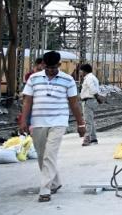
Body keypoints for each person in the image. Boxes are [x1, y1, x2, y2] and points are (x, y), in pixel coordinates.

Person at [19, 51, 85, 202]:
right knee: (42, 155)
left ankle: (45, 189)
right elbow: (27, 101)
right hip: (38, 122)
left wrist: (81, 123)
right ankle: (55, 182)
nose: (50, 70)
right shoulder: (34, 79)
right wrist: (24, 120)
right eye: (47, 67)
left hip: (58, 122)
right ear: (43, 65)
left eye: (53, 67)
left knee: (50, 154)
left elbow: (74, 103)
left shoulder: (68, 80)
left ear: (59, 65)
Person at [77, 63, 103, 145]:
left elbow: (92, 89)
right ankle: (93, 139)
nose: (80, 73)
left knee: (87, 121)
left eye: (81, 71)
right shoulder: (93, 77)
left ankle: (87, 139)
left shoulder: (88, 78)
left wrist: (98, 97)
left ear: (84, 71)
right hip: (91, 100)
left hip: (88, 100)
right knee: (90, 120)